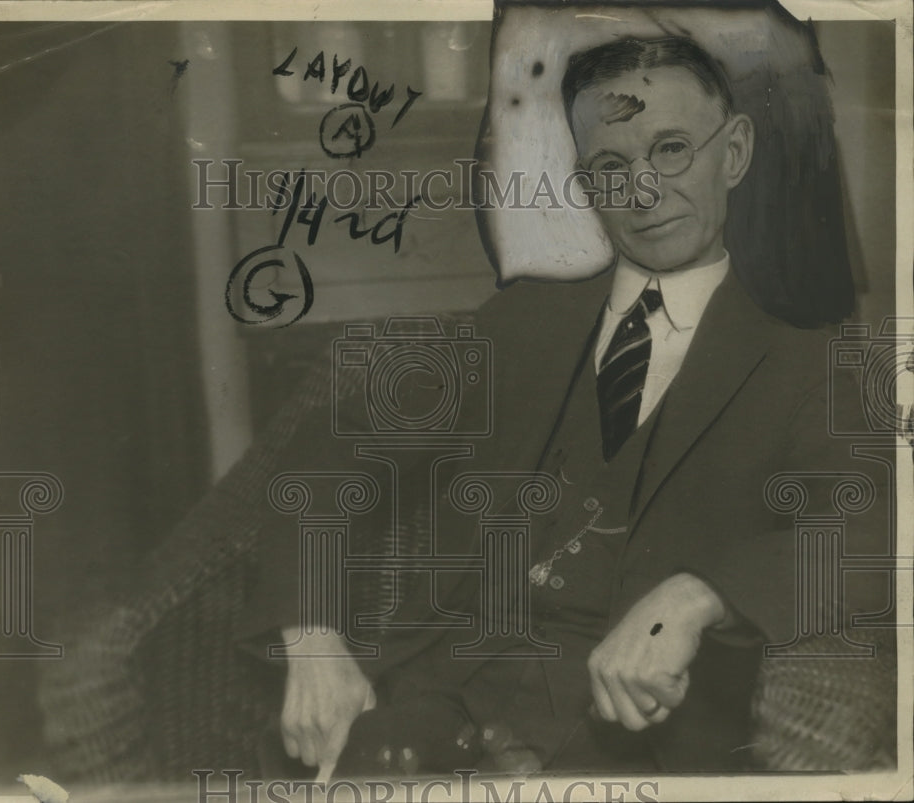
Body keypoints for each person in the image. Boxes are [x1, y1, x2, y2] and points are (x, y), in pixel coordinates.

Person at [243, 35, 888, 776]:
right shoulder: (522, 322)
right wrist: (312, 633)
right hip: (428, 704)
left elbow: (873, 522)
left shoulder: (803, 356)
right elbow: (329, 447)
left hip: (636, 742)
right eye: (612, 166)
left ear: (734, 152)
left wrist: (703, 594)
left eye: (671, 148)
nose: (642, 191)